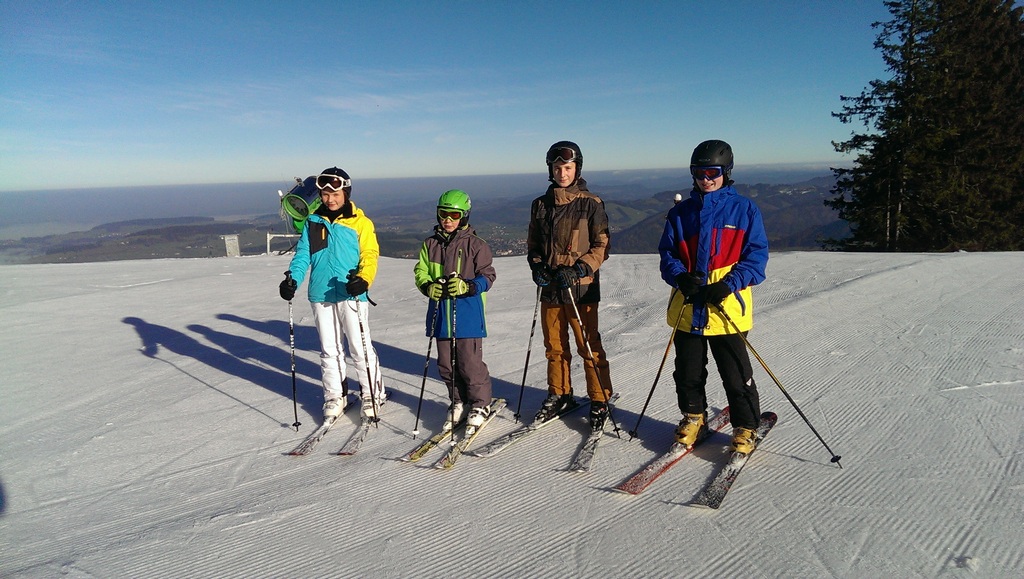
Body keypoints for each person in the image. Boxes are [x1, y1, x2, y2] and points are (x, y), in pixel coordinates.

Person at [658, 140, 769, 453]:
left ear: (726, 172)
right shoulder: (681, 213)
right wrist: (680, 276)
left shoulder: (744, 210)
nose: (706, 179)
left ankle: (746, 426)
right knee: (688, 372)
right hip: (688, 307)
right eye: (699, 172)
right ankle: (694, 417)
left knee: (735, 374)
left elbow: (756, 258)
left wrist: (729, 284)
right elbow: (667, 254)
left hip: (726, 308)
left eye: (713, 172)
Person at [278, 167, 386, 421]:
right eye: (325, 194)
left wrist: (364, 279)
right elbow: (303, 255)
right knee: (329, 349)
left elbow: (370, 255)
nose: (330, 199)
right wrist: (292, 279)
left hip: (352, 292)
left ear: (346, 193)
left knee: (359, 347)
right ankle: (335, 395)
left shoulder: (360, 222)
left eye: (335, 194)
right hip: (321, 293)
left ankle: (372, 393)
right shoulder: (313, 222)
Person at [526, 141, 614, 431]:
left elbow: (602, 245)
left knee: (588, 344)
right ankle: (560, 392)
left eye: (567, 167)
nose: (562, 173)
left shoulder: (591, 203)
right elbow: (534, 244)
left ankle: (599, 398)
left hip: (581, 288)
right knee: (554, 346)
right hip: (551, 287)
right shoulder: (540, 205)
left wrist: (579, 269)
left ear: (577, 168)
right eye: (557, 168)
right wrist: (537, 266)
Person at [413, 189, 497, 433]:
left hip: (468, 315)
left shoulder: (476, 245)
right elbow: (421, 272)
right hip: (441, 315)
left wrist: (468, 286)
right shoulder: (431, 244)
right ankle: (459, 400)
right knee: (446, 365)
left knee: (470, 363)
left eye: (454, 215)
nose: (447, 220)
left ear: (465, 216)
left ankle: (480, 403)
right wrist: (428, 286)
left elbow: (488, 276)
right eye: (443, 214)